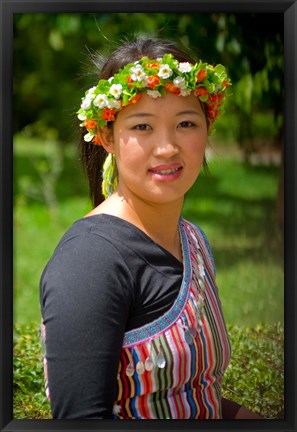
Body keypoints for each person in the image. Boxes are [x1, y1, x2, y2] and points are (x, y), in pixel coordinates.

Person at [39, 37, 262, 420]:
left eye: (186, 123)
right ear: (107, 136)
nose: (167, 147)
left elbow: (196, 394)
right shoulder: (90, 261)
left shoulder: (191, 239)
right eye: (142, 126)